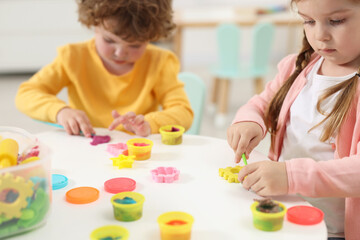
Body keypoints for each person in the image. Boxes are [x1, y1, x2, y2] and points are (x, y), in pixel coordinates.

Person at [227, 0, 360, 239]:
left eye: (337, 21)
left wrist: (291, 176)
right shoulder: (299, 66)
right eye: (309, 21)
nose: (320, 36)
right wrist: (249, 120)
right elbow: (262, 102)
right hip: (283, 218)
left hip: (335, 231)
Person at [15, 0, 193, 138]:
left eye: (135, 46)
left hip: (137, 155)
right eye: (109, 40)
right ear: (94, 24)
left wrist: (149, 123)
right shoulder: (72, 57)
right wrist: (60, 111)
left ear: (151, 37)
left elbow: (183, 112)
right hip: (85, 148)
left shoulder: (160, 62)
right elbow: (27, 93)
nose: (120, 52)